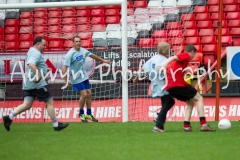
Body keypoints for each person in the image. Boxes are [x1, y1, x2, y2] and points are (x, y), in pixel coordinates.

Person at [3, 36, 69, 131]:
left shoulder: (31, 51)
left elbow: (33, 64)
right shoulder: (36, 53)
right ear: (37, 44)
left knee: (27, 104)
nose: (45, 47)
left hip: (28, 83)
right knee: (50, 102)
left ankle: (9, 117)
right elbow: (31, 64)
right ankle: (56, 125)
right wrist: (38, 74)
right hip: (38, 84)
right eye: (43, 45)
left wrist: (44, 69)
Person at [161, 44, 216, 132]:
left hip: (170, 87)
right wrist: (164, 65)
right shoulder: (186, 55)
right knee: (199, 98)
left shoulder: (175, 64)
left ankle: (186, 126)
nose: (193, 57)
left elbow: (169, 70)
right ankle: (203, 124)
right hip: (178, 85)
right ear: (192, 52)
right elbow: (173, 57)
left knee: (190, 103)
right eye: (194, 55)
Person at [62, 36, 111, 123]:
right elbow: (64, 67)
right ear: (73, 43)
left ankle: (89, 114)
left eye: (79, 41)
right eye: (76, 41)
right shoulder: (70, 54)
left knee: (89, 94)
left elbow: (92, 55)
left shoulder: (83, 50)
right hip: (76, 77)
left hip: (83, 75)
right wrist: (66, 81)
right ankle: (81, 113)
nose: (78, 43)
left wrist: (102, 60)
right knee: (84, 95)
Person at [133, 42, 175, 132]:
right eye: (168, 49)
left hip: (155, 85)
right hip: (164, 85)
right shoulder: (165, 60)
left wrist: (136, 78)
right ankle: (158, 125)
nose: (169, 50)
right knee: (167, 103)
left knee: (170, 102)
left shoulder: (153, 58)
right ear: (165, 50)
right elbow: (166, 72)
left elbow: (143, 68)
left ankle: (159, 119)